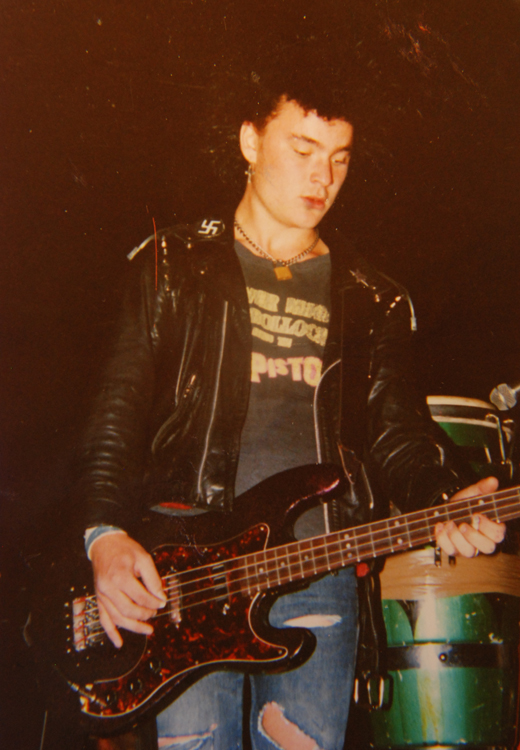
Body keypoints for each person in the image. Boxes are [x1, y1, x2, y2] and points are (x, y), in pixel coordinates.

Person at [77, 69, 505, 750]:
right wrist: (105, 537)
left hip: (316, 568)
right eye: (302, 150)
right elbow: (115, 411)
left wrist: (445, 498)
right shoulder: (173, 263)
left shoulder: (372, 297)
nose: (322, 178)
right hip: (188, 572)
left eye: (339, 158)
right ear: (250, 141)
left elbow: (398, 434)